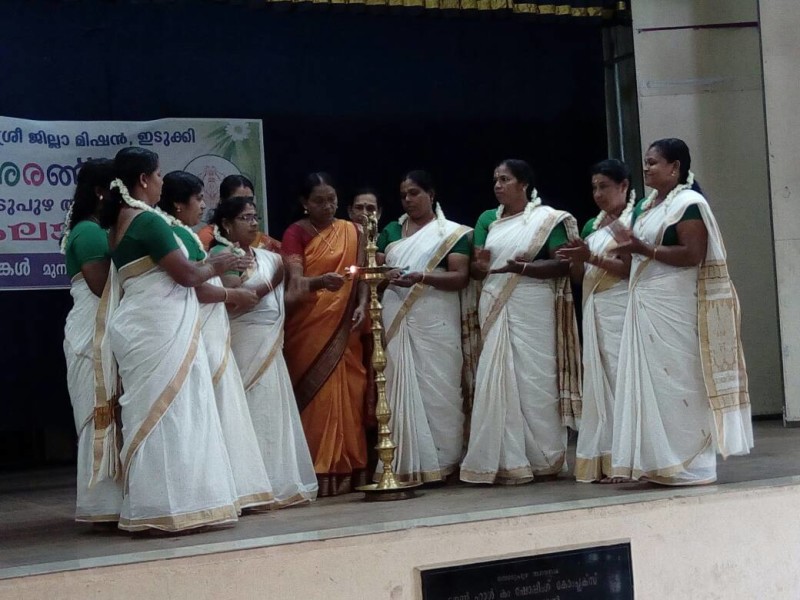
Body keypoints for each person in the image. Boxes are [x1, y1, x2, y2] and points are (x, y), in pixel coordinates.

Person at [100, 147, 249, 532]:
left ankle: (157, 507)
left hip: (144, 327)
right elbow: (187, 275)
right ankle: (178, 506)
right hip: (159, 329)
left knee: (159, 415)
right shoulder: (147, 222)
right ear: (143, 180)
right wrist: (218, 264)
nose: (161, 183)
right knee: (176, 413)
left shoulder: (118, 223)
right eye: (158, 175)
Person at [610, 138, 753, 485]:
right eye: (646, 162)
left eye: (653, 162)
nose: (646, 167)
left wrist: (643, 248)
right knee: (654, 385)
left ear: (675, 168)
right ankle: (660, 463)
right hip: (645, 302)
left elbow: (692, 254)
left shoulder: (689, 204)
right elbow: (634, 255)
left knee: (680, 380)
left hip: (675, 305)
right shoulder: (644, 206)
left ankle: (693, 465)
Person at [461, 159, 582, 485]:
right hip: (495, 302)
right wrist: (479, 266)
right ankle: (505, 461)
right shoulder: (487, 219)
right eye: (495, 180)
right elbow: (478, 270)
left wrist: (524, 269)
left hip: (533, 305)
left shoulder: (547, 219)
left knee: (536, 379)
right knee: (498, 375)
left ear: (524, 184)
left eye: (505, 179)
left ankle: (544, 459)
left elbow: (562, 265)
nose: (498, 185)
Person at [158, 171, 274, 510]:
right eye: (198, 199)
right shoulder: (180, 233)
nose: (202, 205)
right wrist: (231, 292)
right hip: (203, 326)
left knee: (218, 402)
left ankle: (228, 488)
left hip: (208, 325)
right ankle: (225, 490)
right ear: (178, 205)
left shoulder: (181, 232)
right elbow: (196, 284)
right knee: (218, 402)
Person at [209, 196, 319, 507]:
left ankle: (275, 482)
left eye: (255, 217)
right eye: (245, 218)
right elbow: (235, 299)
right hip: (244, 342)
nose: (254, 223)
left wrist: (319, 283)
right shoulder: (221, 255)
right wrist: (272, 282)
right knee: (251, 410)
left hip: (270, 342)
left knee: (272, 410)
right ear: (226, 224)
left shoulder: (266, 256)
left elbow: (281, 299)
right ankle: (249, 486)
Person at [376, 171, 471, 483]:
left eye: (414, 193)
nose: (408, 200)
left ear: (431, 194)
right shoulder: (391, 230)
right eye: (403, 195)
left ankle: (444, 463)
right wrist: (386, 274)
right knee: (397, 384)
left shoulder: (452, 233)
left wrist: (422, 277)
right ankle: (405, 464)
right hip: (397, 314)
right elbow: (376, 269)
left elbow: (460, 277)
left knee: (441, 387)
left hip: (437, 318)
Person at [282, 172, 369, 496]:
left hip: (346, 327)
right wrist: (320, 282)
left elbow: (361, 276)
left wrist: (362, 304)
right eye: (319, 201)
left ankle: (351, 470)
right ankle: (317, 472)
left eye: (331, 199)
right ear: (304, 203)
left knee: (349, 395)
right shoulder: (295, 233)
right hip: (309, 329)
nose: (327, 206)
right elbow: (295, 284)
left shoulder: (353, 231)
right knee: (317, 400)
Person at [556, 159, 635, 483]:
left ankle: (630, 460)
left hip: (622, 306)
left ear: (624, 186)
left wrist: (590, 256)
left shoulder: (633, 220)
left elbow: (628, 269)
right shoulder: (593, 225)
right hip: (595, 308)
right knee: (599, 382)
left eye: (604, 186)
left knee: (622, 379)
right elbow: (579, 276)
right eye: (594, 187)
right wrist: (576, 259)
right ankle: (608, 458)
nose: (598, 194)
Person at [61, 158, 123, 522]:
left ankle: (115, 502)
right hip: (90, 332)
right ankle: (100, 505)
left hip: (102, 330)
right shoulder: (87, 232)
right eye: (117, 187)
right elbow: (103, 288)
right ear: (101, 192)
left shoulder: (97, 230)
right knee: (96, 413)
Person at [197, 174, 280, 252]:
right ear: (222, 202)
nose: (246, 205)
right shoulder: (207, 237)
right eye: (238, 200)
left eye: (250, 200)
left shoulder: (262, 240)